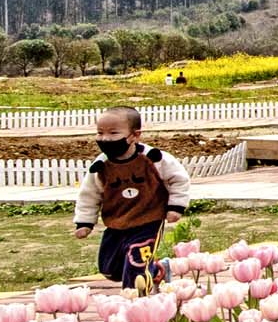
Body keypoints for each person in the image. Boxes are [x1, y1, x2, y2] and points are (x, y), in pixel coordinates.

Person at [73, 107, 192, 289]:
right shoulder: (101, 166)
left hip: (148, 219)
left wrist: (175, 206)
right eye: (100, 133)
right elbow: (89, 195)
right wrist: (84, 222)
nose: (105, 139)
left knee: (136, 264)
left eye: (113, 133)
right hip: (117, 222)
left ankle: (136, 303)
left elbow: (179, 178)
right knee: (110, 269)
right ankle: (158, 269)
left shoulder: (154, 159)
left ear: (135, 135)